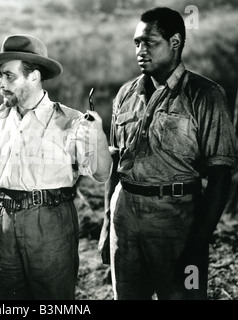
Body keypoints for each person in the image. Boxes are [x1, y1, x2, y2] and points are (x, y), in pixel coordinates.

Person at [98, 7, 238, 300]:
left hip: (177, 218)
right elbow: (115, 162)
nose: (140, 50)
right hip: (125, 216)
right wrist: (107, 223)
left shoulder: (205, 95)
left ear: (175, 42)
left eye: (150, 42)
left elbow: (220, 174)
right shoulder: (125, 94)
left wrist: (198, 243)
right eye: (137, 42)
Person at [0, 34, 112, 300]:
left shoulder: (71, 121)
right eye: (0, 76)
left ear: (34, 77)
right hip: (3, 223)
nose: (0, 84)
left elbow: (101, 173)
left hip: (50, 223)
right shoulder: (0, 119)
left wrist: (98, 135)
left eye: (9, 76)